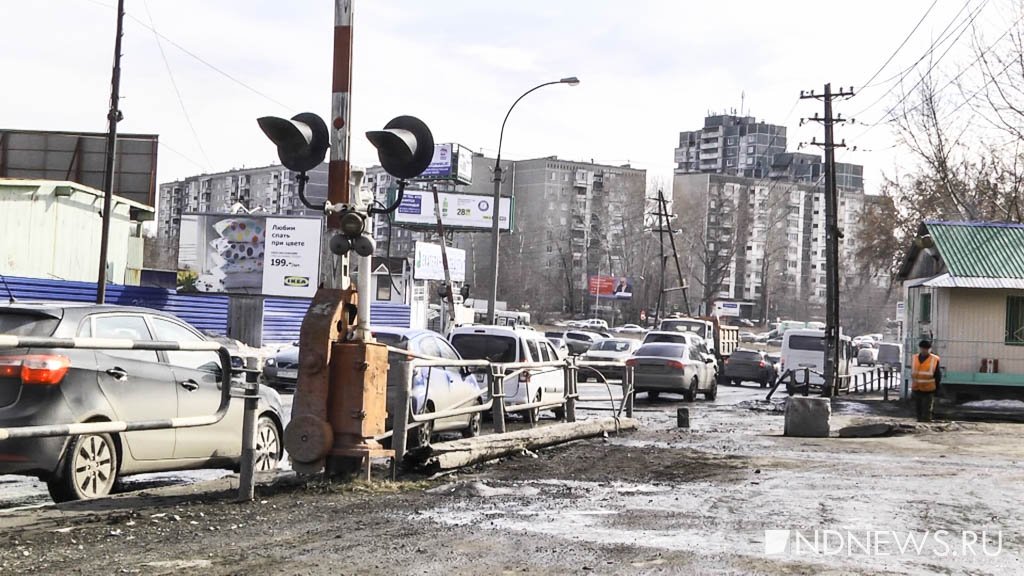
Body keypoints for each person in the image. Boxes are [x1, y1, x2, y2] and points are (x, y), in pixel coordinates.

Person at [911, 339, 941, 422]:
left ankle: (926, 423)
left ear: (929, 349)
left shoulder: (934, 359)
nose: (924, 351)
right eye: (922, 348)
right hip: (917, 388)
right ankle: (919, 422)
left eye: (926, 349)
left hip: (928, 389)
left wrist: (937, 388)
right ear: (920, 348)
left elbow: (937, 374)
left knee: (926, 409)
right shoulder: (915, 358)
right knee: (918, 408)